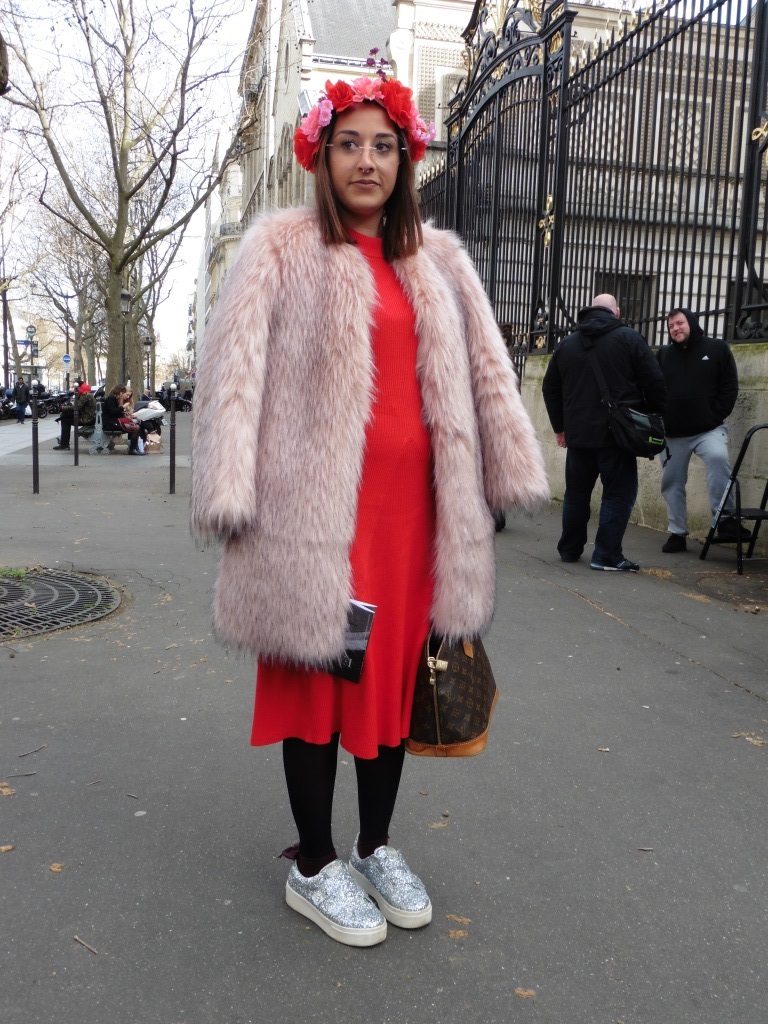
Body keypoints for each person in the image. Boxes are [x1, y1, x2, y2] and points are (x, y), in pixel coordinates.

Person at [191, 73, 549, 948]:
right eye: (349, 143)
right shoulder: (280, 249)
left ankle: (375, 846)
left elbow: (487, 377)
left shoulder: (442, 261)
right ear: (322, 156)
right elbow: (231, 379)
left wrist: (502, 472)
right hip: (315, 525)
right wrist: (229, 491)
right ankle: (315, 864)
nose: (366, 161)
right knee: (319, 683)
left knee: (391, 686)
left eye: (383, 146)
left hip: (414, 527)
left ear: (405, 161)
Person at [542, 294, 666, 571]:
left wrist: (560, 428)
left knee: (576, 494)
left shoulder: (567, 344)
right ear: (616, 312)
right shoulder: (629, 338)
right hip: (618, 435)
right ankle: (606, 555)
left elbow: (550, 388)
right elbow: (655, 381)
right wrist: (653, 415)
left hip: (578, 435)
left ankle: (569, 549)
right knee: (618, 494)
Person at [657, 308, 748, 552]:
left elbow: (729, 386)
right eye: (671, 326)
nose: (675, 328)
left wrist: (715, 414)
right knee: (671, 481)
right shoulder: (663, 355)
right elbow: (652, 387)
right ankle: (677, 533)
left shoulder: (717, 349)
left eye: (679, 323)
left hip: (708, 429)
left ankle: (725, 520)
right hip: (673, 433)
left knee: (718, 458)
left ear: (691, 322)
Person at [53, 382, 97, 450]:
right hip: (90, 417)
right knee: (65, 417)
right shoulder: (88, 394)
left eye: (75, 388)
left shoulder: (85, 395)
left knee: (65, 421)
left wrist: (64, 408)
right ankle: (64, 443)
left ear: (79, 387)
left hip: (87, 419)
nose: (74, 389)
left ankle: (64, 444)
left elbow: (76, 407)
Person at [102, 385, 144, 455]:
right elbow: (113, 411)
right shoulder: (110, 399)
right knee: (135, 428)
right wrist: (123, 407)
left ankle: (134, 447)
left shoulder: (114, 399)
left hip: (114, 422)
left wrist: (126, 414)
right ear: (120, 392)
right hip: (110, 424)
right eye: (125, 394)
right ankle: (133, 449)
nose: (127, 397)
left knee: (135, 425)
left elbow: (117, 413)